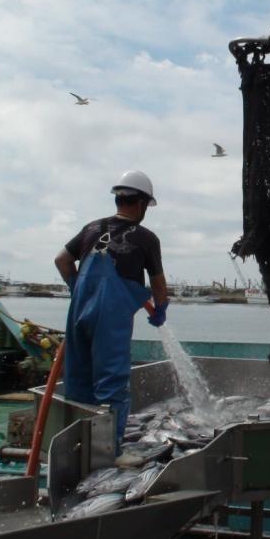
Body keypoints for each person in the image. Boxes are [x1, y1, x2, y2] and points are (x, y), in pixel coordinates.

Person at [54, 171, 169, 453]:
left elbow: (61, 260)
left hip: (79, 310)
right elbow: (157, 283)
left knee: (79, 379)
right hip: (110, 317)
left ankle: (76, 450)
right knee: (111, 384)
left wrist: (77, 288)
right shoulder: (145, 238)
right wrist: (161, 308)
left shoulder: (91, 228)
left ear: (118, 198)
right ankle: (109, 455)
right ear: (141, 204)